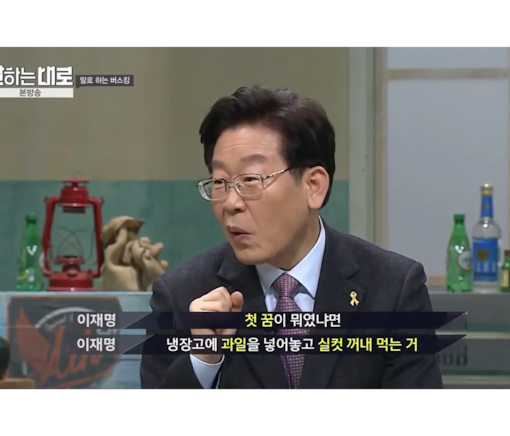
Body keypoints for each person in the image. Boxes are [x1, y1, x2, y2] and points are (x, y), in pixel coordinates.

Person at [140, 85, 443, 390]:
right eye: (220, 182)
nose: (231, 203)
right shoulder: (182, 296)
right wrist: (203, 359)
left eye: (250, 179)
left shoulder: (394, 290)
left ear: (314, 186)